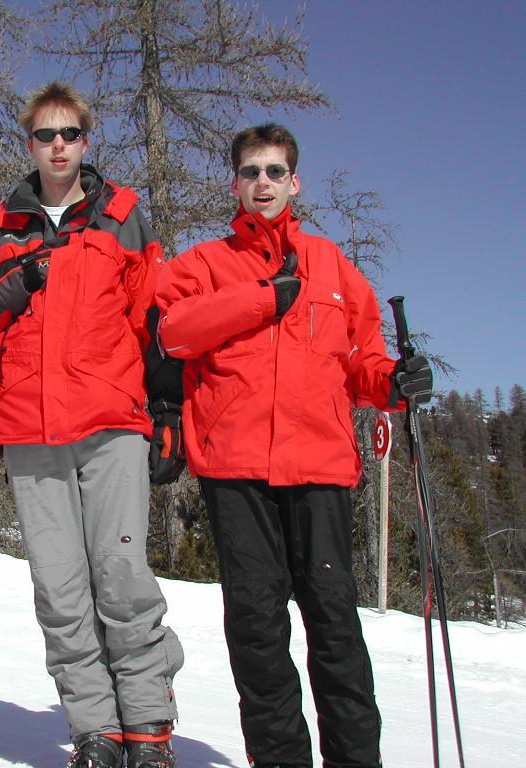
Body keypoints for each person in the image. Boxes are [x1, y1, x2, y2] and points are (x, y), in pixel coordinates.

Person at [155, 123, 433, 768]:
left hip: (319, 468)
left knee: (335, 624)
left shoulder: (333, 267)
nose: (262, 183)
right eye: (251, 172)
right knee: (258, 630)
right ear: (235, 183)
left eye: (275, 172)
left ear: (294, 182)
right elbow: (172, 332)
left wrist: (395, 381)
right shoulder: (203, 264)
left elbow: (362, 363)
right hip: (236, 467)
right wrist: (259, 299)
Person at [0, 82, 184, 768]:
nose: (59, 146)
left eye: (70, 135)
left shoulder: (123, 216)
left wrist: (167, 406)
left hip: (112, 420)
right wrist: (12, 286)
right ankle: (95, 731)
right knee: (59, 587)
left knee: (120, 571)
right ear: (29, 144)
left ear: (86, 141)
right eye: (46, 135)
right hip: (29, 425)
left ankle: (147, 727)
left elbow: (157, 315)